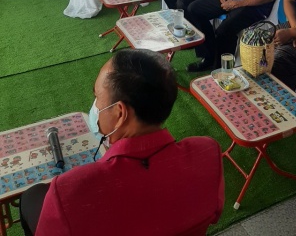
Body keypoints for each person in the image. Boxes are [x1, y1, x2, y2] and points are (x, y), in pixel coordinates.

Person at [19, 49, 224, 236]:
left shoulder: (69, 191)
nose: (95, 106)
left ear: (119, 113)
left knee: (31, 197)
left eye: (97, 97)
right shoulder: (207, 153)